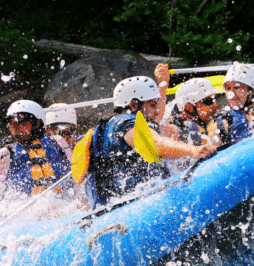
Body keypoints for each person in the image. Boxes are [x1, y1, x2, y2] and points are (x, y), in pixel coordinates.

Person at [73, 76, 215, 206]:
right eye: (153, 105)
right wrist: (193, 150)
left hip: (121, 204)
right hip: (131, 207)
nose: (157, 111)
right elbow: (156, 144)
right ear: (134, 105)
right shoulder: (125, 123)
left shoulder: (112, 125)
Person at [0, 100, 73, 220]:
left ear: (37, 123)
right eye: (11, 124)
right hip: (28, 217)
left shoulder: (58, 142)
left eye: (21, 124)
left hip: (64, 208)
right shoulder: (5, 155)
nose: (16, 129)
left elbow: (75, 174)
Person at [166, 78, 219, 146]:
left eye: (214, 99)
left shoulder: (205, 122)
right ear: (189, 107)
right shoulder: (175, 131)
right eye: (208, 101)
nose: (214, 105)